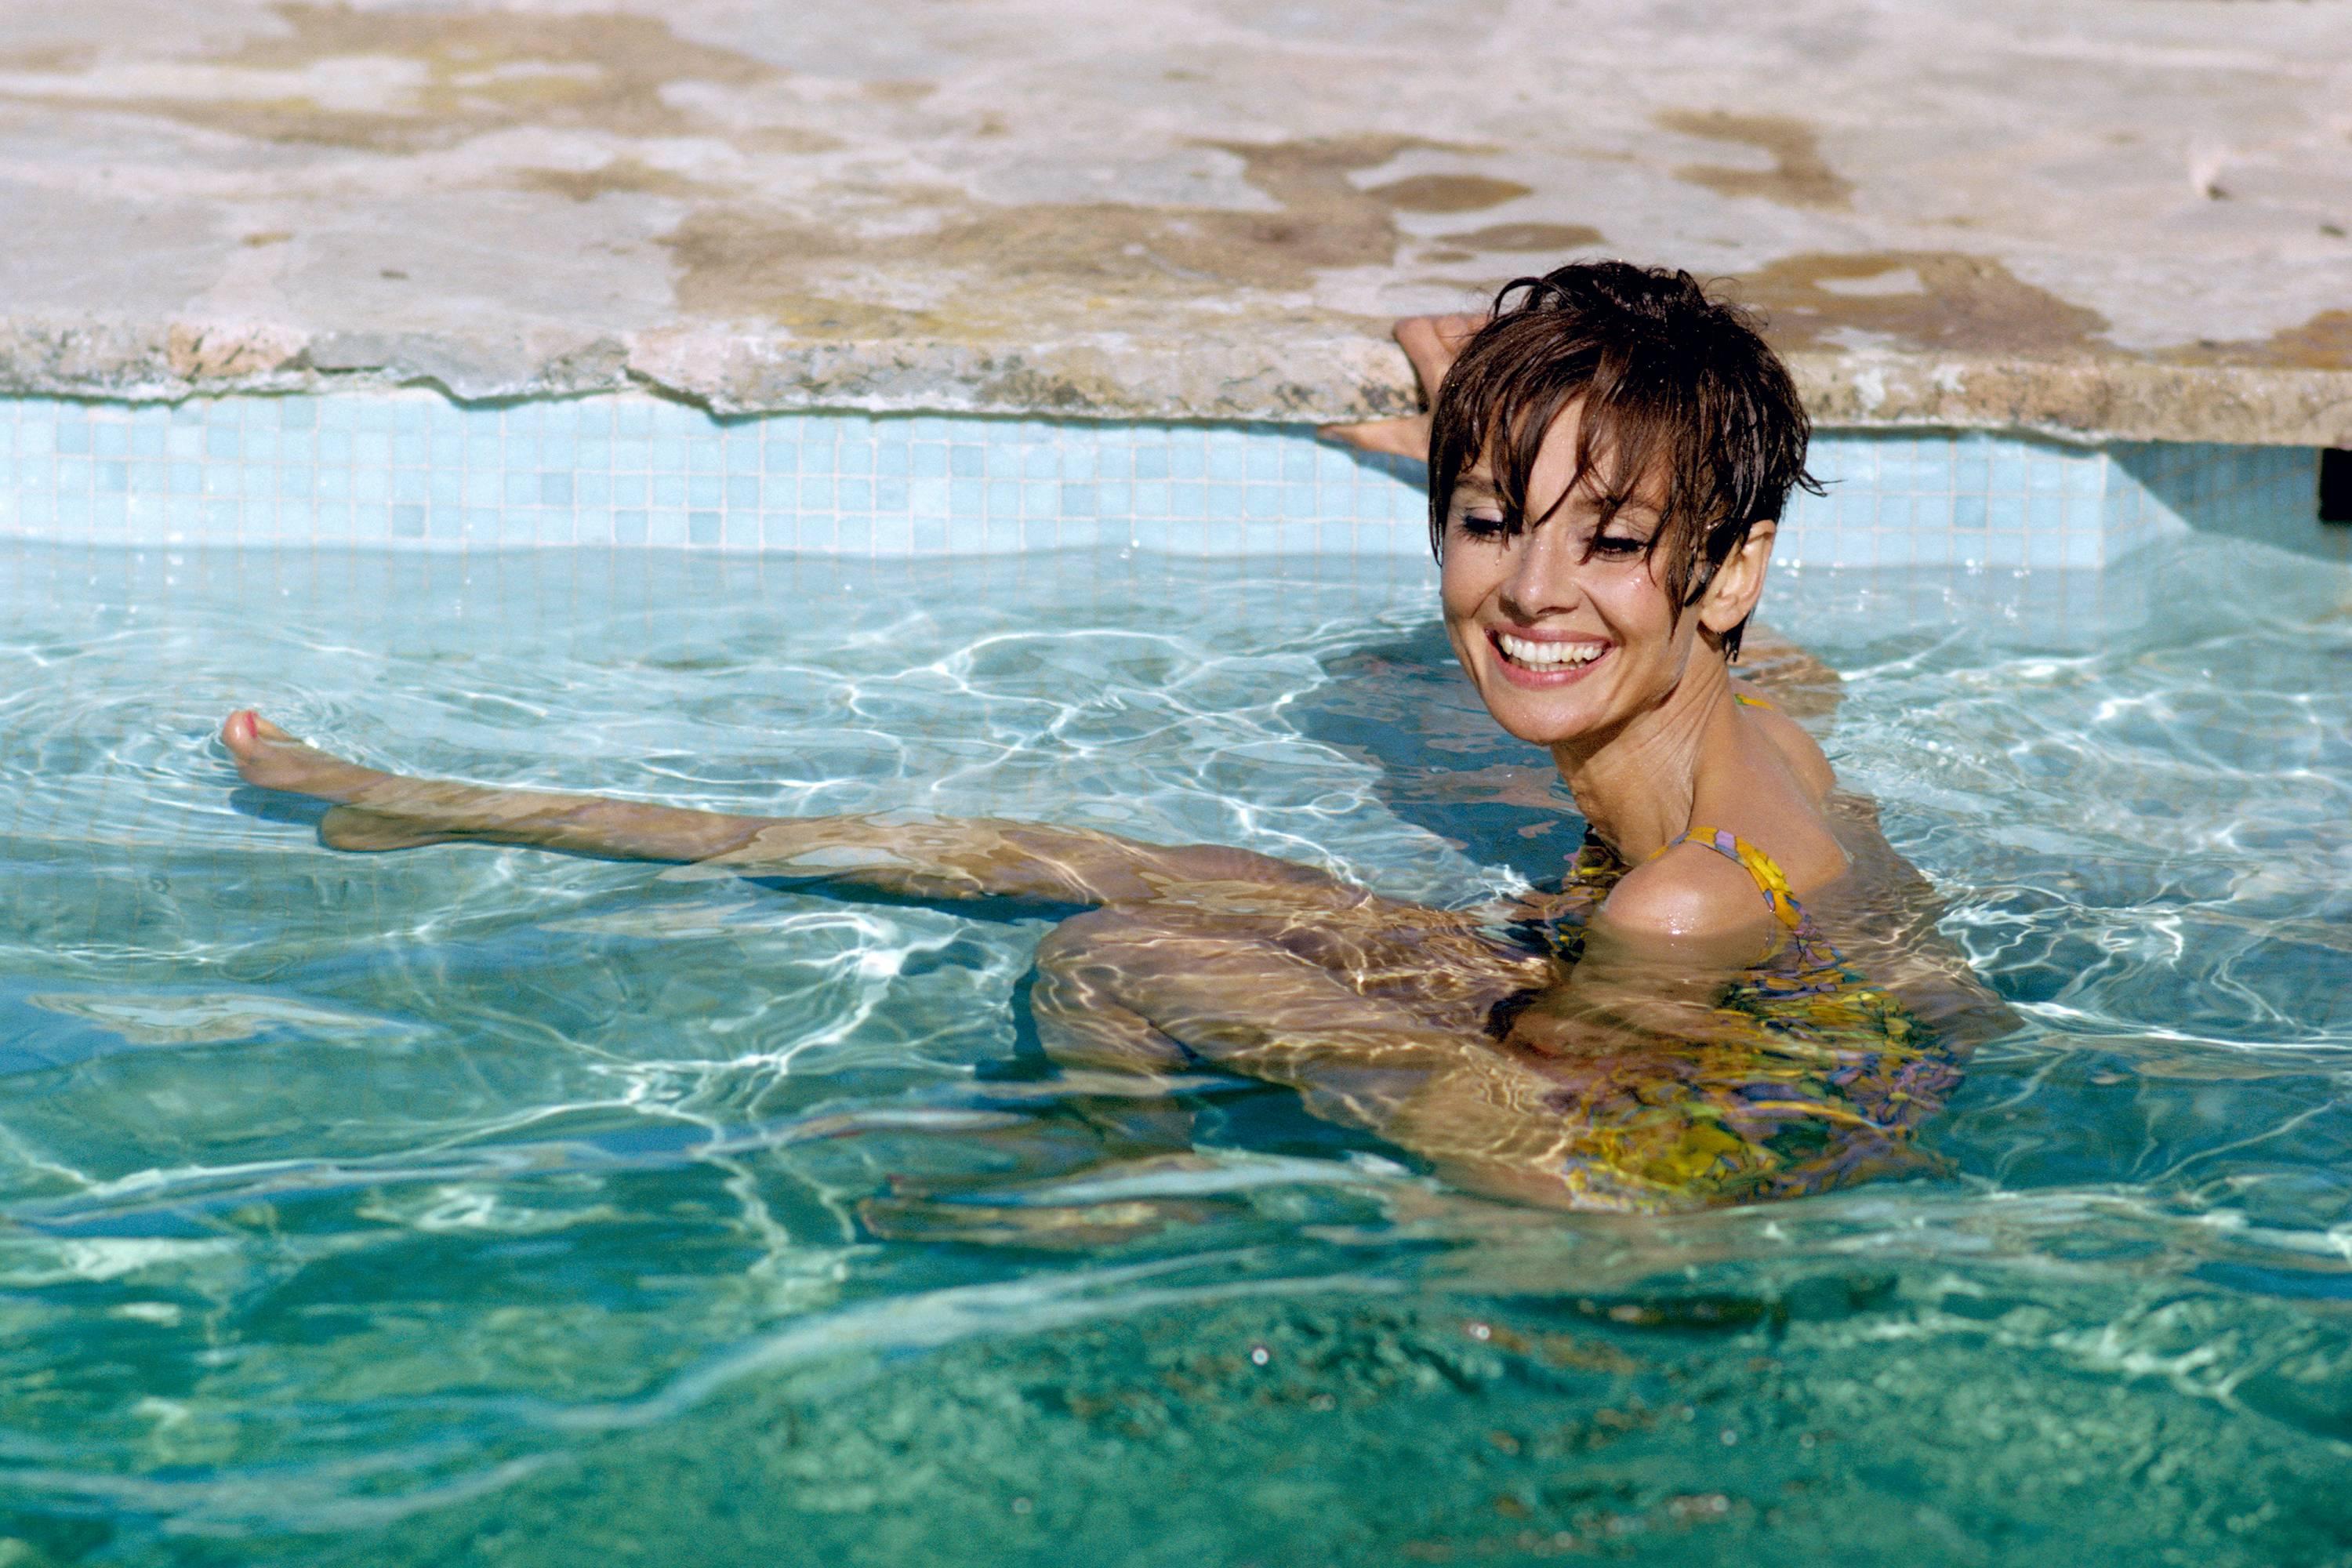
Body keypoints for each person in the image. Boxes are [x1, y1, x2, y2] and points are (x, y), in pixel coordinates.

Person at [218, 262, 2009, 1213]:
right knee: (1081, 853)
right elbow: (1734, 656)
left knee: (1117, 941)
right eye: (1487, 518)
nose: (1530, 589)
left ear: (1725, 567)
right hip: (1749, 1034)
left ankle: (1128, 1183)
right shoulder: (1748, 728)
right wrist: (1511, 440)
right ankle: (453, 806)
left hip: (1645, 1162)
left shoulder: (1680, 897)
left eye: (1607, 540)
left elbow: (1561, 1131)